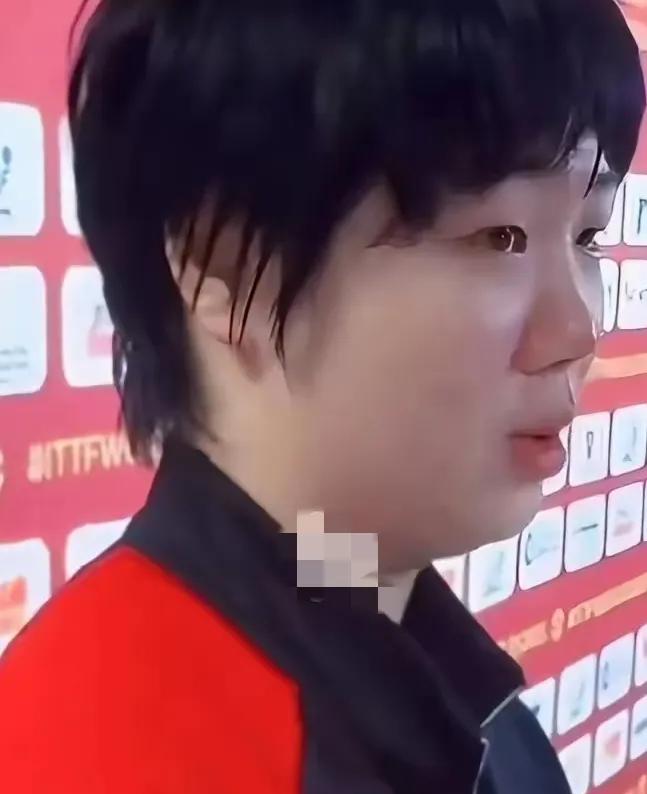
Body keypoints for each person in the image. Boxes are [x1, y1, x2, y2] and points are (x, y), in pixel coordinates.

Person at [0, 1, 644, 792]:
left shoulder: (389, 619)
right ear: (225, 265)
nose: (575, 332)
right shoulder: (90, 752)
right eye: (496, 237)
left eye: (585, 236)